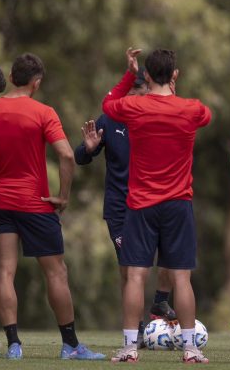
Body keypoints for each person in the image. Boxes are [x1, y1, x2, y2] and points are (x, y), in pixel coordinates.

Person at [0, 53, 104, 361]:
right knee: (56, 273)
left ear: (12, 76)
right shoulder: (42, 112)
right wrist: (64, 195)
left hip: (1, 202)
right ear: (37, 82)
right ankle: (70, 345)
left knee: (5, 271)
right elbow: (67, 156)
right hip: (36, 203)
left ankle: (14, 344)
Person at [102, 48, 211, 364]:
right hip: (178, 204)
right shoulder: (192, 108)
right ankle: (190, 349)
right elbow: (206, 115)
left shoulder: (134, 106)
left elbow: (107, 104)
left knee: (136, 276)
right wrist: (174, 92)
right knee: (181, 278)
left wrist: (128, 74)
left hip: (140, 205)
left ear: (146, 76)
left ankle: (129, 347)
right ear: (175, 75)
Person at [74, 67, 177, 338]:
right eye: (129, 94)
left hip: (158, 200)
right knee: (130, 269)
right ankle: (137, 331)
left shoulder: (159, 117)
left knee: (171, 259)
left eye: (139, 94)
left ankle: (159, 300)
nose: (132, 101)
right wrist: (89, 148)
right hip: (121, 208)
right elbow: (80, 157)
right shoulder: (110, 120)